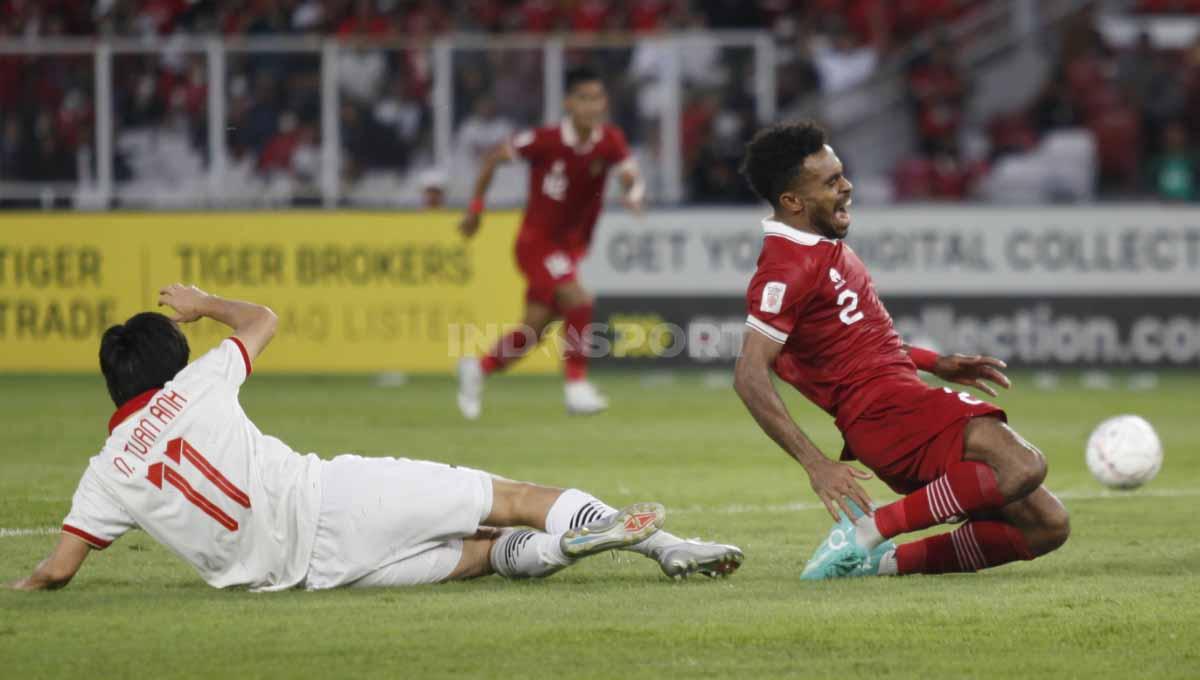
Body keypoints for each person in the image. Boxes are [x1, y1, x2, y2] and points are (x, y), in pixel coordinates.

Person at [8, 285, 742, 592]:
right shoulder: (196, 385)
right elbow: (262, 320)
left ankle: (570, 550)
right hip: (331, 499)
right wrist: (204, 304)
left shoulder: (105, 471)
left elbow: (60, 568)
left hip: (302, 578)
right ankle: (658, 544)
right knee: (514, 499)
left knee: (485, 554)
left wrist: (22, 585)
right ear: (170, 369)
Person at [732, 122, 1070, 579]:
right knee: (1022, 464)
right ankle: (869, 531)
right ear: (793, 201)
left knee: (1047, 526)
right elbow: (749, 374)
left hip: (898, 405)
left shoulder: (820, 248)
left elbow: (862, 343)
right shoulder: (785, 268)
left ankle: (877, 566)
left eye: (842, 174)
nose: (847, 186)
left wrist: (939, 364)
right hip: (885, 413)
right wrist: (816, 464)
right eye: (831, 182)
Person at [456, 65, 645, 418]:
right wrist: (476, 209)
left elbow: (630, 174)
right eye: (584, 99)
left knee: (533, 330)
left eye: (598, 99)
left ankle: (477, 368)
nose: (592, 106)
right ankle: (576, 386)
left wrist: (632, 192)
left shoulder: (609, 140)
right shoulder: (546, 140)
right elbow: (494, 158)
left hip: (569, 248)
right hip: (537, 243)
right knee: (579, 301)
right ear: (568, 103)